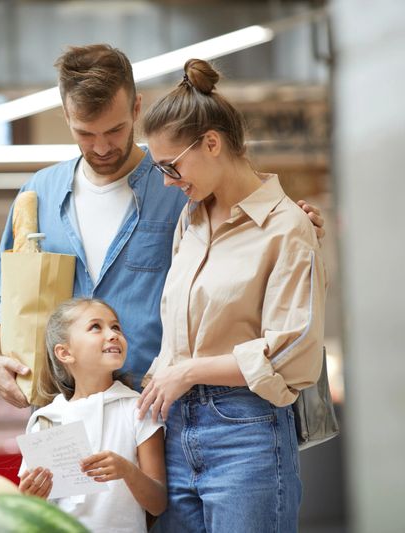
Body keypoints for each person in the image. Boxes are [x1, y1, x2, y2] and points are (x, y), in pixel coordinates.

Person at [0, 44, 325, 408]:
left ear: (137, 109)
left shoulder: (184, 189)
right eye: (85, 133)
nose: (101, 147)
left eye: (114, 130)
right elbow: (4, 294)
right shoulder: (37, 196)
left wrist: (297, 223)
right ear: (66, 115)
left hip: (160, 410)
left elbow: (253, 236)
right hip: (65, 410)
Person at [136, 59, 327, 532]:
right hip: (176, 430)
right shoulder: (190, 222)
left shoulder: (287, 227)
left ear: (213, 143)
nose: (166, 180)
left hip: (247, 434)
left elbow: (291, 353)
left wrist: (188, 371)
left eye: (170, 165)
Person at [18, 298, 166, 533]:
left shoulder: (138, 408)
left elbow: (158, 504)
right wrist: (29, 497)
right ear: (65, 352)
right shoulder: (45, 420)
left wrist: (126, 470)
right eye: (96, 327)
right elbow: (34, 512)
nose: (113, 334)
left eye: (116, 327)